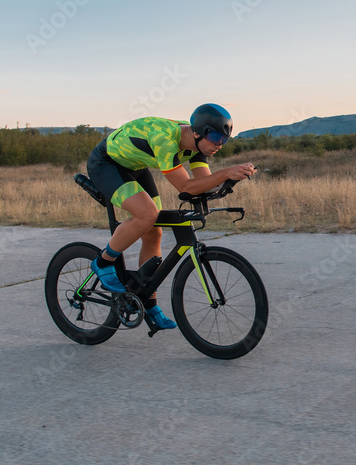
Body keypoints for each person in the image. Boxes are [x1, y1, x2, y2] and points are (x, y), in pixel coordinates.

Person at [85, 104, 256, 329]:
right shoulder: (165, 141)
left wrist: (231, 179)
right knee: (147, 215)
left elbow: (202, 183)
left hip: (135, 165)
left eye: (224, 140)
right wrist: (225, 172)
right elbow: (185, 187)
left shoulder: (198, 146)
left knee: (154, 232)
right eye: (215, 137)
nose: (219, 145)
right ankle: (103, 262)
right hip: (106, 163)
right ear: (197, 133)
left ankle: (149, 303)